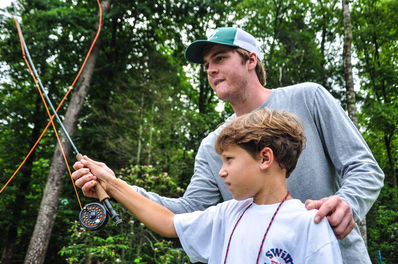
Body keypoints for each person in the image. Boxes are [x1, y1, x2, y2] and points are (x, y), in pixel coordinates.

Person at [72, 27, 384, 263]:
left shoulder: (309, 97)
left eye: (220, 58)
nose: (210, 69)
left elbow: (365, 168)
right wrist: (115, 185)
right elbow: (186, 213)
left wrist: (347, 203)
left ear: (251, 60)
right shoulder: (213, 146)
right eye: (207, 63)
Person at [77, 108, 343, 263]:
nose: (221, 172)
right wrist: (111, 184)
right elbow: (170, 223)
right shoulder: (227, 213)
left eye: (228, 160)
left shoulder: (311, 225)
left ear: (265, 158)